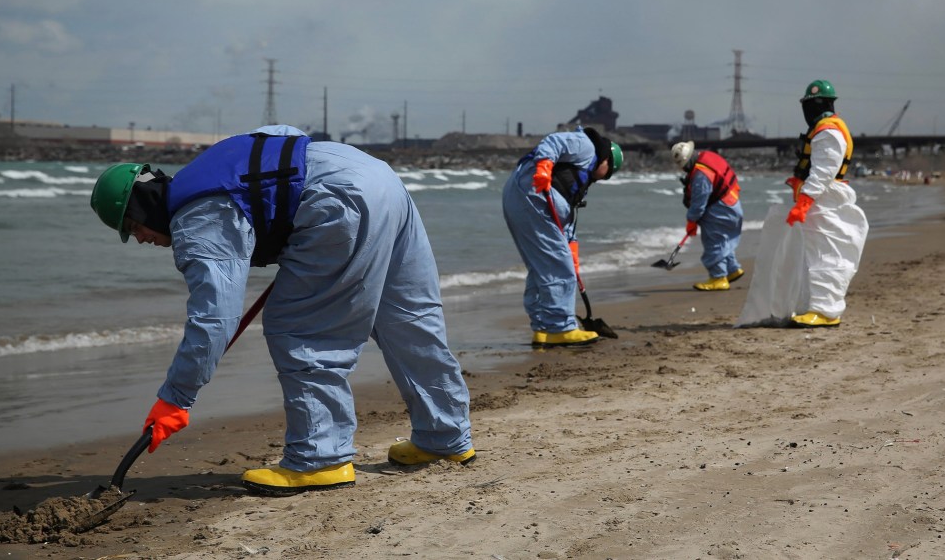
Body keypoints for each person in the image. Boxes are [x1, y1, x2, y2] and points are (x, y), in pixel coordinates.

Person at [89, 124, 474, 496]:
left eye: (133, 228)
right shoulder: (209, 169)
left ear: (141, 208)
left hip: (338, 200)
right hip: (379, 179)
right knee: (408, 320)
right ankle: (444, 435)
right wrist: (293, 228)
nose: (141, 240)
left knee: (299, 328)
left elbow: (214, 319)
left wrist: (175, 398)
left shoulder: (197, 217)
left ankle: (319, 458)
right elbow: (285, 136)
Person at [736, 80, 868, 328]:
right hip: (821, 198)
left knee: (824, 254)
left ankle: (826, 312)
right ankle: (815, 308)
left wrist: (805, 201)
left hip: (824, 199)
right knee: (813, 255)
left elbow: (823, 171)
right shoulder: (824, 129)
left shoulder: (827, 131)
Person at [502, 126, 623, 347]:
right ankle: (561, 327)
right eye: (609, 173)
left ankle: (543, 327)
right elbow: (554, 142)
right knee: (558, 266)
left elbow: (567, 220)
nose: (604, 179)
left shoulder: (582, 174)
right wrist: (544, 166)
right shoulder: (587, 146)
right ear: (607, 161)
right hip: (532, 194)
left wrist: (572, 251)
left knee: (544, 266)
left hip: (519, 196)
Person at [670, 141, 744, 291]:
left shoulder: (701, 175)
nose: (684, 169)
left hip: (721, 208)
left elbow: (699, 203)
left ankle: (718, 278)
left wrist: (691, 221)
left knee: (714, 241)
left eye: (683, 165)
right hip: (732, 204)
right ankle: (732, 269)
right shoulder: (707, 156)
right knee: (723, 239)